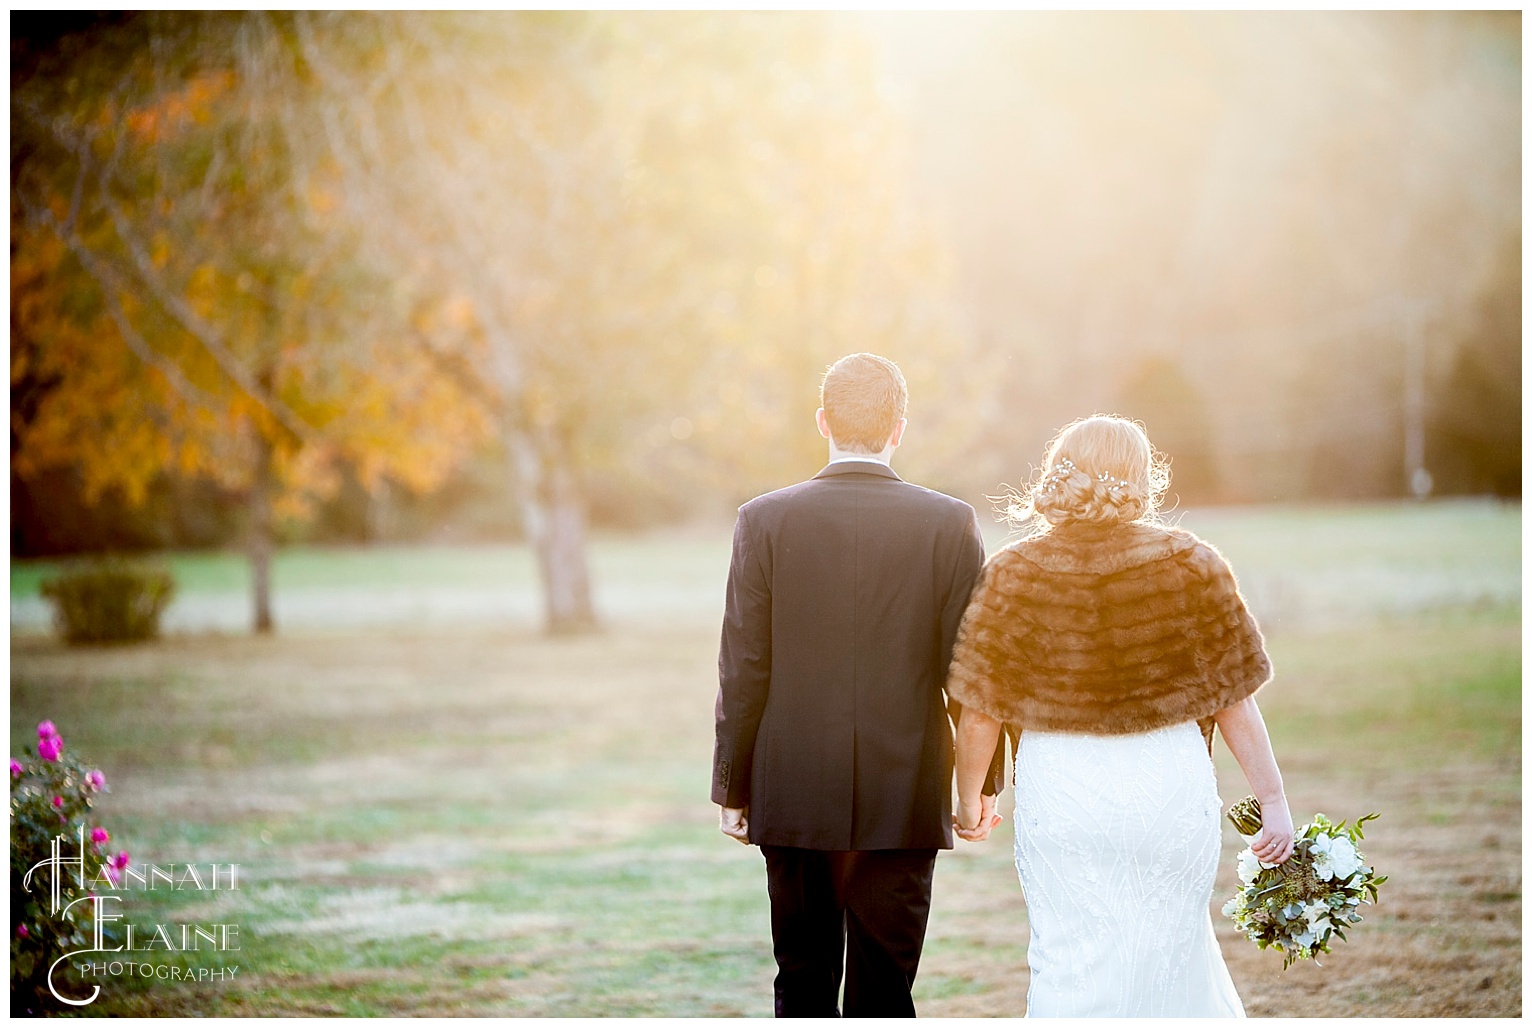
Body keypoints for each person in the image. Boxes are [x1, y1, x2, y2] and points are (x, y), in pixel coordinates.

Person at [946, 414, 1295, 1018]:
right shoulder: (1192, 562)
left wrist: (969, 797)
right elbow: (1234, 698)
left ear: (1059, 474)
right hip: (1168, 784)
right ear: (1142, 478)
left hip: (1064, 789)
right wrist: (1273, 801)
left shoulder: (1013, 571)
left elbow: (979, 711)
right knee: (1174, 954)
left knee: (1069, 959)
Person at [712, 352, 1004, 1017]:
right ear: (899, 428)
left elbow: (743, 664)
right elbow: (973, 671)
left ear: (823, 422)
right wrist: (980, 784)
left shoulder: (763, 519)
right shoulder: (947, 522)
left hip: (792, 789)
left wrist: (732, 783)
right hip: (903, 793)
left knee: (802, 983)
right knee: (885, 992)